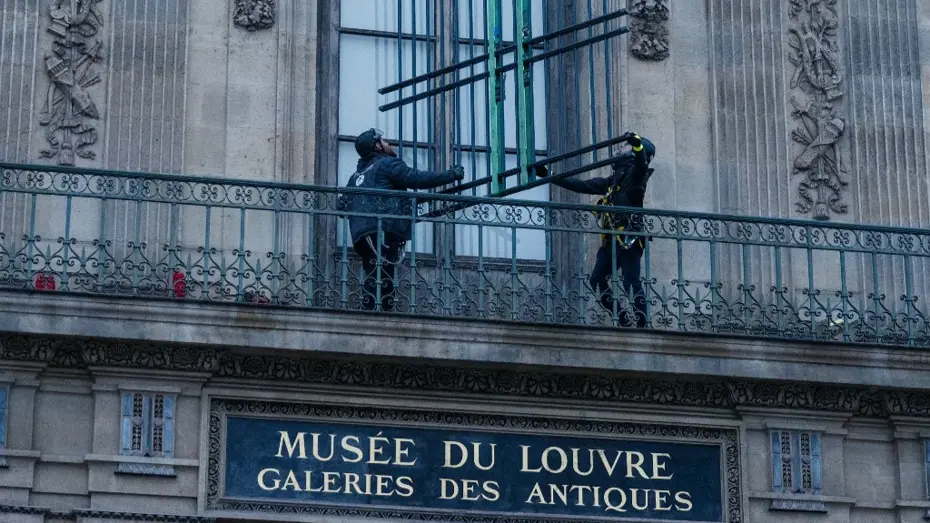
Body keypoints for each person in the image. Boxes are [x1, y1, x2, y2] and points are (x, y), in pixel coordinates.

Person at [537, 132, 655, 327]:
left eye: (624, 146)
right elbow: (581, 185)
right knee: (597, 280)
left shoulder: (637, 176)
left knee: (630, 282)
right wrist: (549, 176)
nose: (620, 148)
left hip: (629, 238)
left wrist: (638, 147)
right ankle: (623, 318)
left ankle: (643, 322)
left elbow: (642, 165)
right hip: (611, 241)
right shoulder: (611, 183)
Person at [339, 128, 465, 312]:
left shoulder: (356, 177)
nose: (389, 144)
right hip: (382, 229)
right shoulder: (386, 164)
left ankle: (375, 312)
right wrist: (451, 175)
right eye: (384, 141)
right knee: (382, 275)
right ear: (377, 146)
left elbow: (343, 206)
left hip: (362, 235)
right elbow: (415, 178)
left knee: (375, 273)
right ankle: (377, 316)